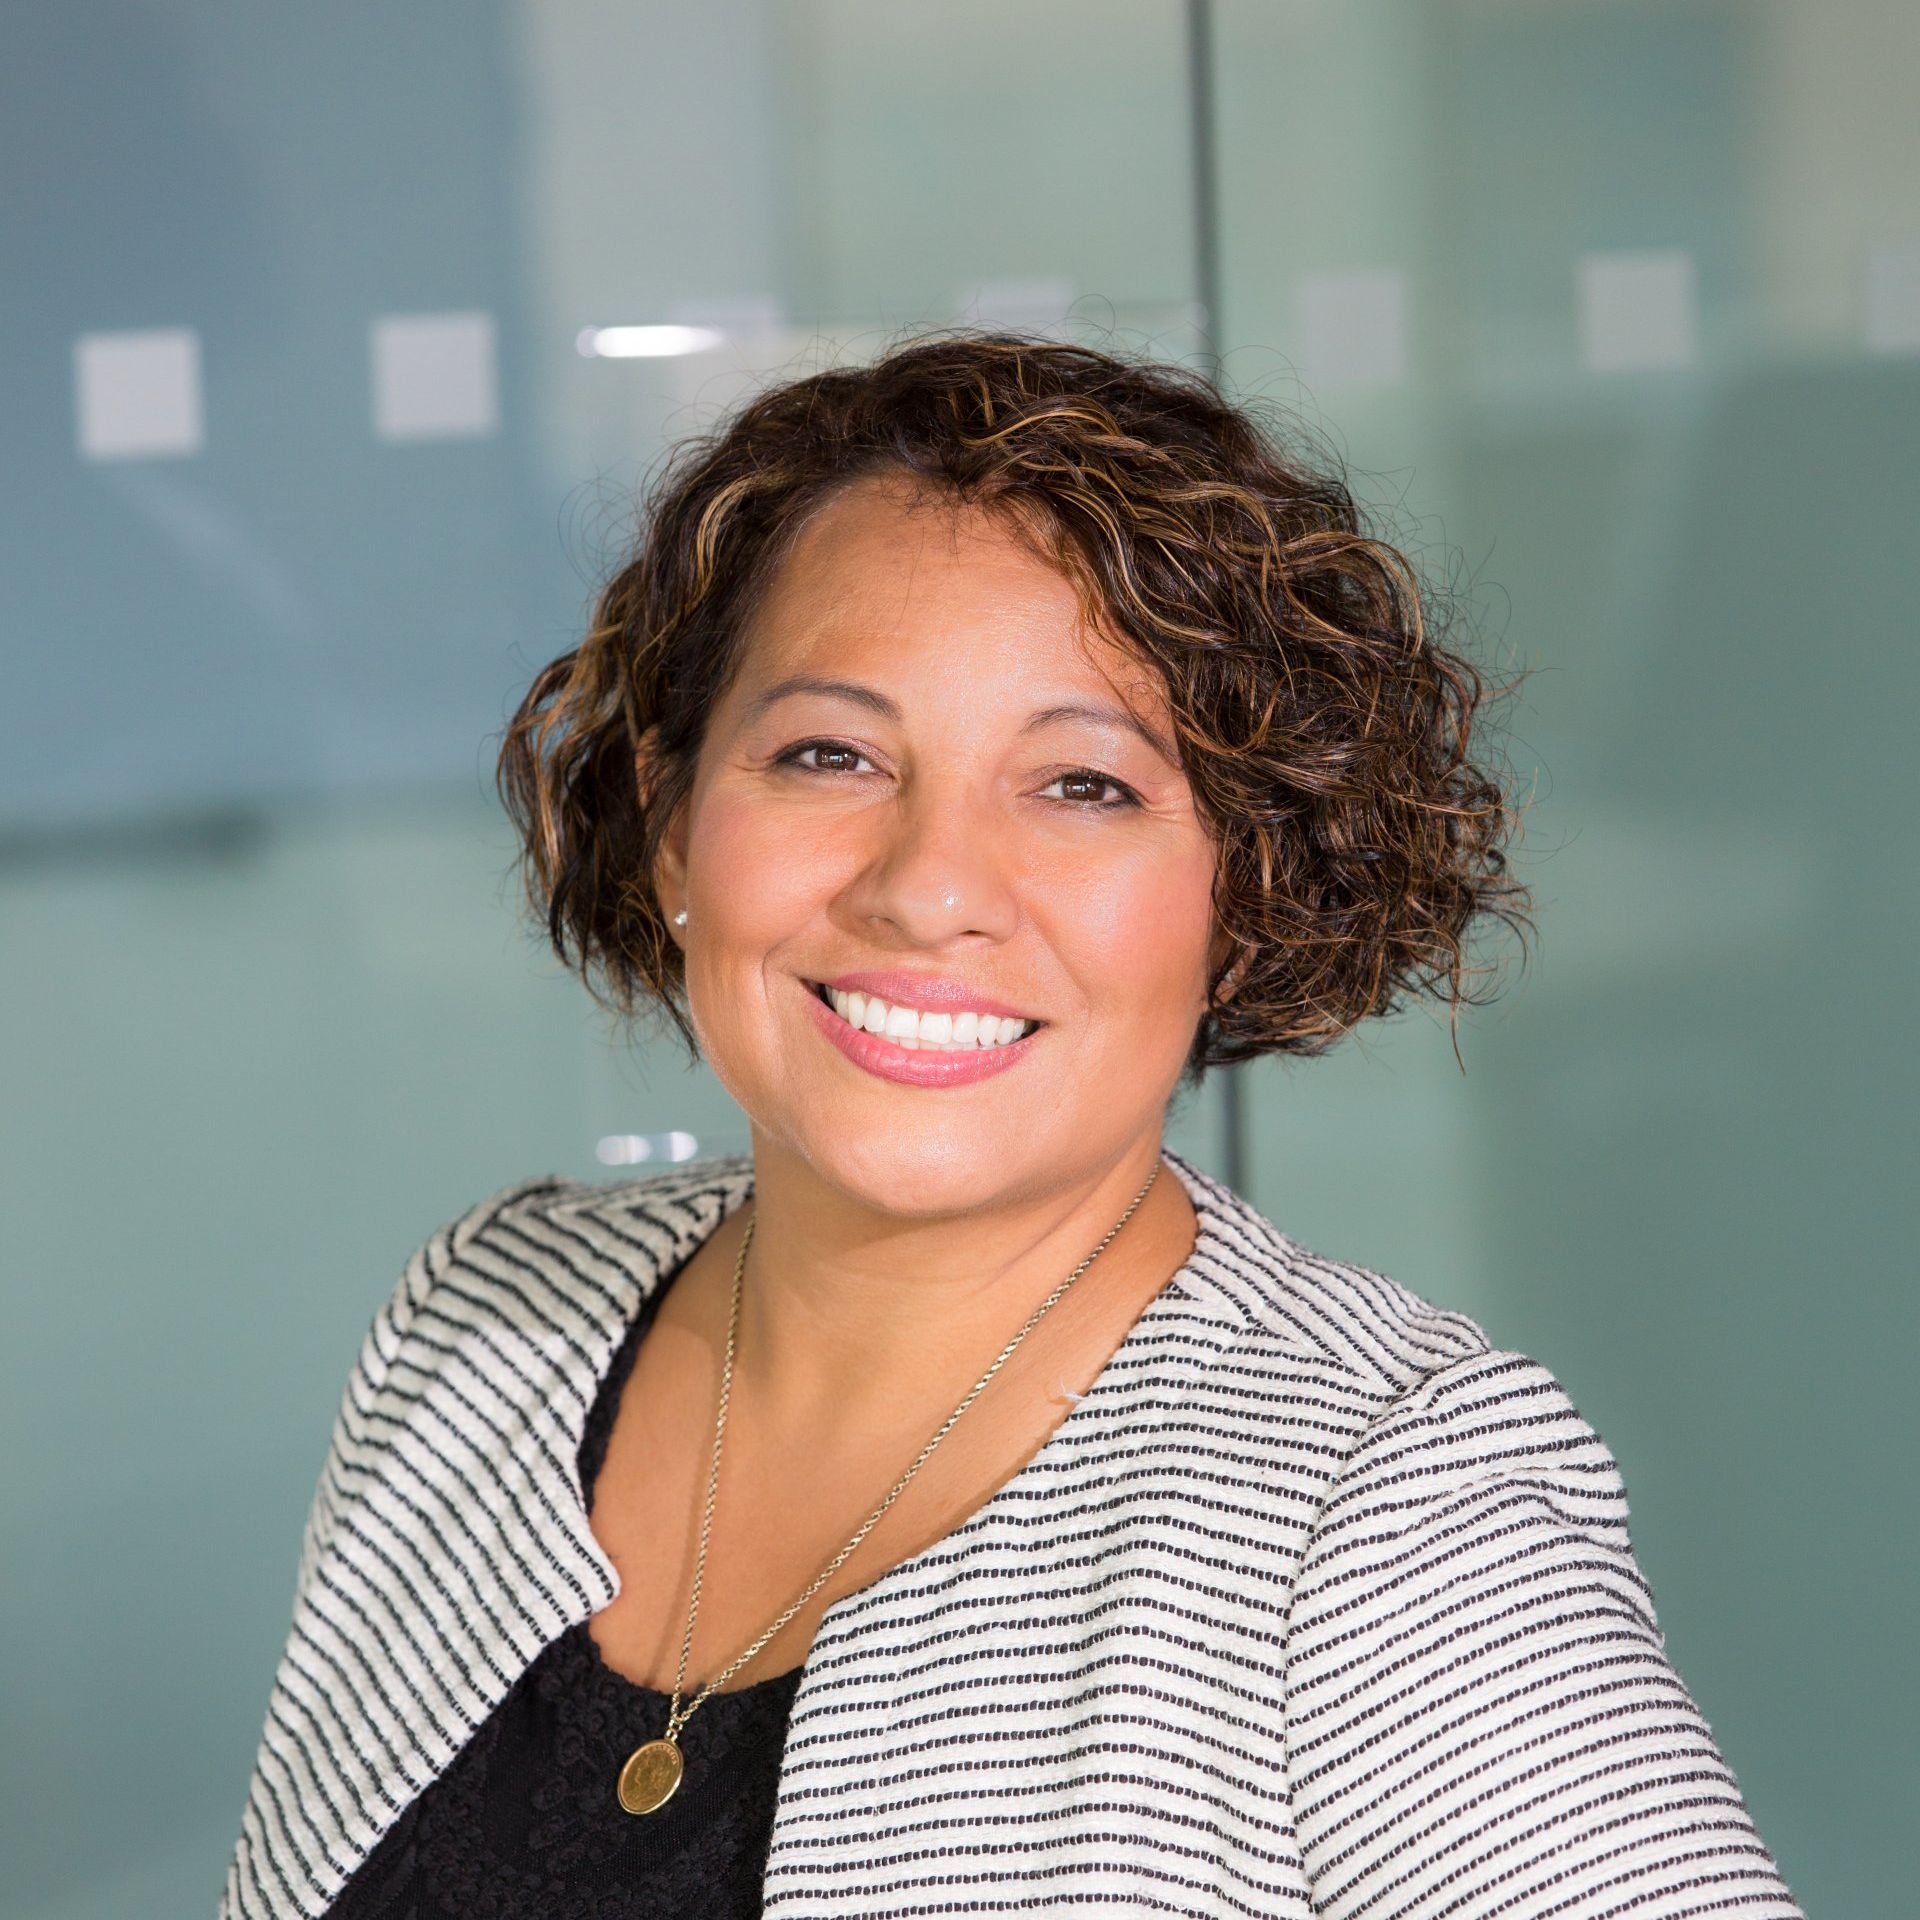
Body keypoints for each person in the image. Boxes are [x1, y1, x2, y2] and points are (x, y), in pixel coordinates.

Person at [219, 334, 1804, 1918]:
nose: (929, 887)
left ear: (1241, 896)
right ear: (672, 817)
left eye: (1082, 786)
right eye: (829, 755)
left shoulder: (1382, 1513)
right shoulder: (482, 1320)